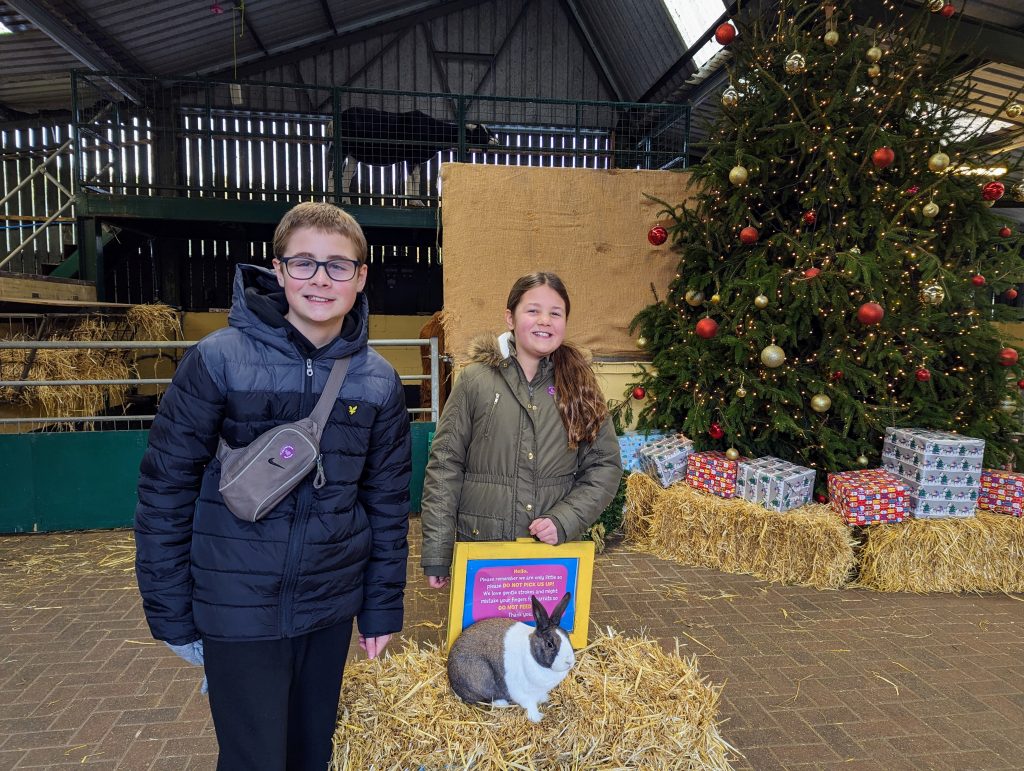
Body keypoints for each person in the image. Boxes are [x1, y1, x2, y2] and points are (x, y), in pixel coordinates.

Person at [134, 201, 412, 771]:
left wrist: (380, 608)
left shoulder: (379, 381)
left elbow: (386, 501)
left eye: (339, 266)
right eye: (304, 262)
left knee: (312, 754)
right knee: (254, 757)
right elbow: (166, 488)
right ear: (277, 270)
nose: (320, 278)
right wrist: (170, 609)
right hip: (236, 604)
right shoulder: (217, 360)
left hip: (329, 605)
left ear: (360, 279)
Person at [420, 271, 622, 588]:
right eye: (533, 311)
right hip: (484, 551)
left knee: (545, 638)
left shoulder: (581, 384)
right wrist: (438, 550)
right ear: (510, 317)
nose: (545, 321)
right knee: (484, 638)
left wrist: (565, 519)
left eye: (555, 313)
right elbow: (446, 465)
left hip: (550, 558)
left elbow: (605, 466)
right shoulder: (475, 380)